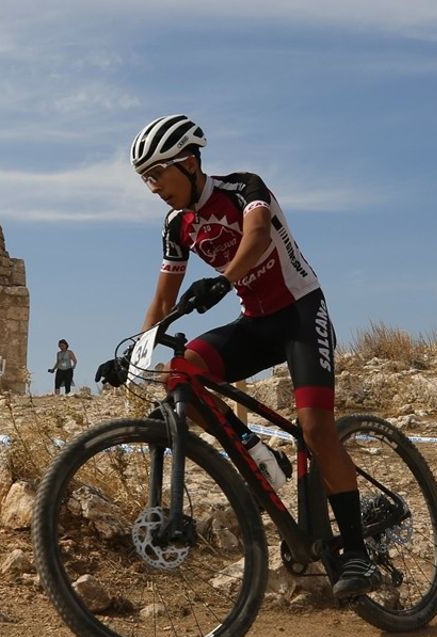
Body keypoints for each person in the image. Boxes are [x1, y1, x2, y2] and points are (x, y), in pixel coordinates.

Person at [108, 113, 378, 598]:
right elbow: (164, 299)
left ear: (189, 163)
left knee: (316, 427)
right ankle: (260, 455)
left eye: (156, 173)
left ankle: (357, 553)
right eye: (144, 178)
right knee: (180, 373)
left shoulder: (243, 187)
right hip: (254, 323)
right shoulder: (177, 224)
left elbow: (255, 237)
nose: (151, 187)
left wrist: (224, 279)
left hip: (299, 313)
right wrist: (136, 349)